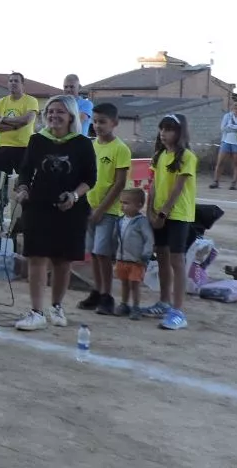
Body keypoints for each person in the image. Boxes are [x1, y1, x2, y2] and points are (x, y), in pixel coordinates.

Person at [12, 95, 97, 332]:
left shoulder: (83, 143)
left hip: (71, 209)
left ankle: (57, 306)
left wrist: (74, 196)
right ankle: (36, 311)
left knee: (62, 260)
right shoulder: (37, 140)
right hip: (38, 206)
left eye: (59, 111)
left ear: (71, 115)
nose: (53, 116)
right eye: (50, 111)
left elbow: (90, 178)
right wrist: (23, 188)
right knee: (37, 258)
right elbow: (26, 171)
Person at [144, 114, 199, 331]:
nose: (163, 134)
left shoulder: (187, 156)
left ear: (180, 132)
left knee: (177, 260)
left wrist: (164, 212)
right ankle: (164, 301)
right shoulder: (159, 156)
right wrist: (150, 209)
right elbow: (155, 185)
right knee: (162, 257)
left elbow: (178, 188)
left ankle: (178, 311)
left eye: (169, 129)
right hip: (159, 213)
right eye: (161, 129)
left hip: (177, 215)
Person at [78, 103, 131, 315]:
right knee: (93, 253)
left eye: (103, 122)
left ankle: (107, 295)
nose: (98, 125)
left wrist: (101, 209)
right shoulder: (92, 145)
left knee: (104, 254)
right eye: (95, 121)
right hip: (89, 207)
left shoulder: (120, 149)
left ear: (114, 123)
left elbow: (119, 183)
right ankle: (97, 291)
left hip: (108, 211)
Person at [113, 188, 155, 319]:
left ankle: (136, 307)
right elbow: (116, 238)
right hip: (122, 258)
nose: (123, 206)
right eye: (121, 202)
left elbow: (149, 240)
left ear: (139, 205)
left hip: (137, 260)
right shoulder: (120, 220)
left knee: (135, 284)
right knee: (124, 282)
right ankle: (124, 304)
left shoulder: (141, 222)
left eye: (126, 203)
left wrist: (145, 256)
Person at [0, 72, 39, 177]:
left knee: (23, 181)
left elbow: (26, 120)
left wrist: (4, 119)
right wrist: (15, 126)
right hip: (2, 147)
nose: (13, 83)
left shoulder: (31, 101)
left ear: (22, 84)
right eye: (11, 81)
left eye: (16, 81)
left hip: (23, 147)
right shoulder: (0, 102)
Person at [210, 98, 237, 189]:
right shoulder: (227, 116)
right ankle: (216, 181)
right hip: (226, 141)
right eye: (235, 105)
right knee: (220, 162)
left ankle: (234, 183)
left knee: (236, 163)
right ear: (232, 106)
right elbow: (223, 128)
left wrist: (231, 126)